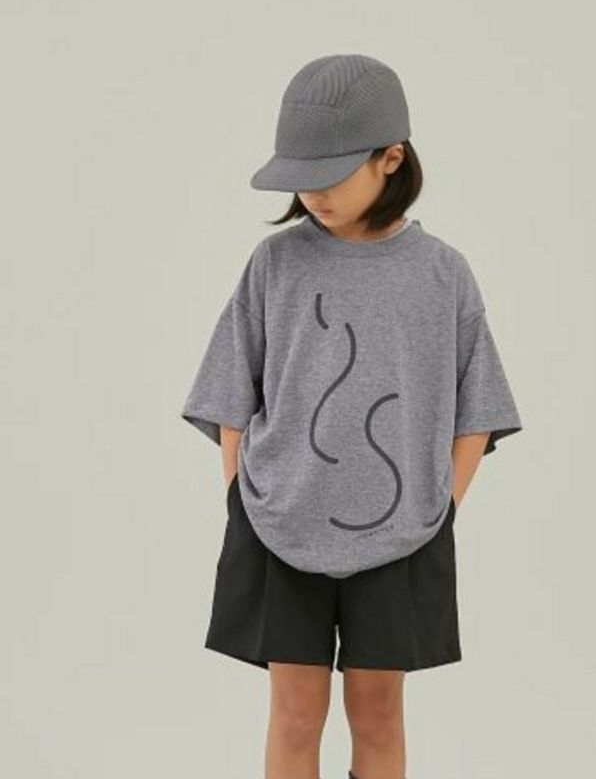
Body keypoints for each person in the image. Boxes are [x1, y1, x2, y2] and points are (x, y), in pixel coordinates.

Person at [180, 53, 523, 779]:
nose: (313, 194)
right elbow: (230, 390)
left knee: (377, 711)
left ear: (390, 158)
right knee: (295, 713)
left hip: (403, 536)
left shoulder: (442, 273)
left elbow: (480, 408)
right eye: (300, 178)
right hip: (279, 528)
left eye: (330, 175)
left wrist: (441, 507)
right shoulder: (274, 264)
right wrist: (242, 494)